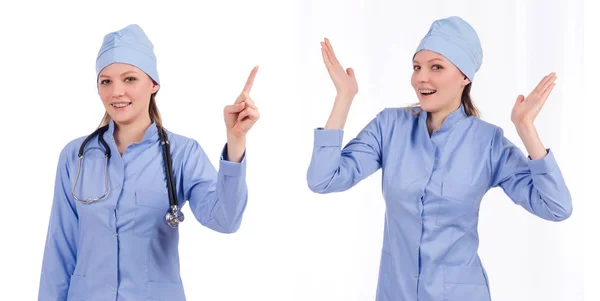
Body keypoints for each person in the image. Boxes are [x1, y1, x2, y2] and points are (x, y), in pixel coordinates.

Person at [306, 16, 572, 301]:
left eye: (437, 67)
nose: (422, 77)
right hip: (396, 293)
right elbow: (323, 179)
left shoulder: (488, 142)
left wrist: (526, 127)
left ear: (465, 77)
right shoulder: (390, 127)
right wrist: (344, 96)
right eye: (417, 67)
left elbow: (556, 208)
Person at [38, 24, 260, 300]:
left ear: (153, 84)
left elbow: (225, 220)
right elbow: (59, 249)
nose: (116, 91)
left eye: (129, 79)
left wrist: (236, 141)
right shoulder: (76, 156)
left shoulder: (182, 153)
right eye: (106, 81)